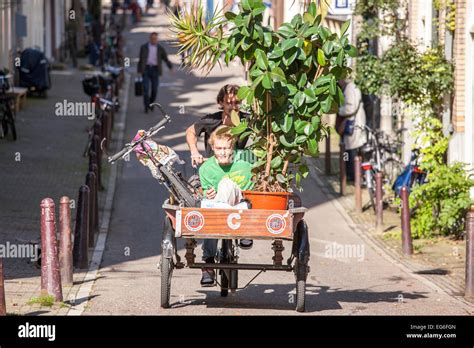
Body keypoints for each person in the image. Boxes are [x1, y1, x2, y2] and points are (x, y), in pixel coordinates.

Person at [198, 126, 254, 286]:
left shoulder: (245, 163)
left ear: (233, 147)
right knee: (210, 209)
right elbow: (206, 196)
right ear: (212, 148)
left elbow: (251, 193)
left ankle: (243, 231)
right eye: (218, 148)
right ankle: (208, 261)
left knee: (227, 184)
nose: (222, 152)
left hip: (240, 204)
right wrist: (208, 194)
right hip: (216, 210)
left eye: (227, 148)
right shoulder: (206, 169)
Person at [185, 84, 248, 166]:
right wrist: (194, 152)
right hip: (214, 167)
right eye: (229, 103)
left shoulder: (247, 121)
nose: (233, 107)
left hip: (238, 168)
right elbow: (190, 131)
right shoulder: (211, 120)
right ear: (221, 103)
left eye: (237, 102)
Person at [335, 79, 367, 182]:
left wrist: (338, 110)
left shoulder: (349, 89)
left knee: (349, 151)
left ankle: (351, 174)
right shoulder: (350, 88)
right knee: (348, 149)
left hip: (352, 124)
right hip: (353, 124)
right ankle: (350, 173)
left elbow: (350, 108)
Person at [137, 32, 173, 113]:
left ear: (157, 39)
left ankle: (151, 103)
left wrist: (170, 67)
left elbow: (165, 58)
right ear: (150, 39)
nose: (154, 40)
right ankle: (146, 106)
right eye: (152, 39)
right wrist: (139, 71)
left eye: (155, 39)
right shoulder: (144, 47)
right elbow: (140, 59)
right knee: (145, 89)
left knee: (154, 90)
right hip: (146, 69)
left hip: (155, 70)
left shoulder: (160, 48)